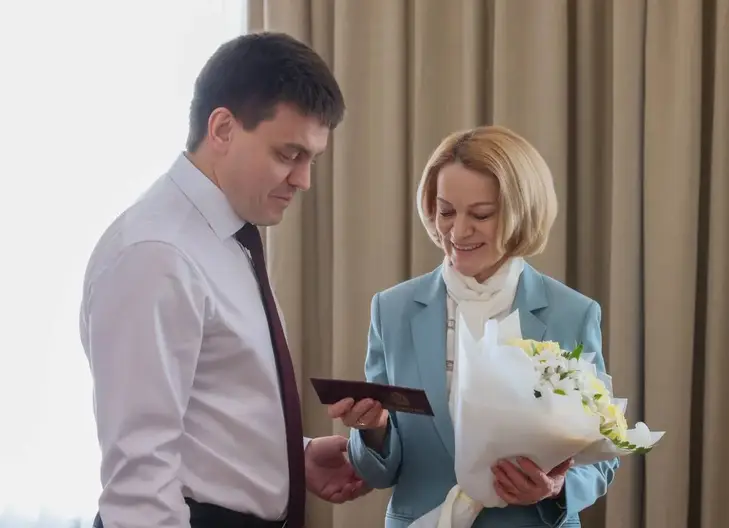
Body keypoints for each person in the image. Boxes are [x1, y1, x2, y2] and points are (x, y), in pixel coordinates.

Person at [80, 32, 367, 528]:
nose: (304, 181)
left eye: (311, 159)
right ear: (222, 129)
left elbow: (210, 401)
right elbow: (140, 484)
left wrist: (289, 458)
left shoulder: (226, 237)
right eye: (289, 155)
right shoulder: (157, 255)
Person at [328, 125, 619, 527]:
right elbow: (378, 473)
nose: (458, 232)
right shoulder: (392, 310)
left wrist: (556, 487)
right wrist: (374, 430)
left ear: (521, 213)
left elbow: (602, 454)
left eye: (480, 215)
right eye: (446, 211)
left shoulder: (572, 313)